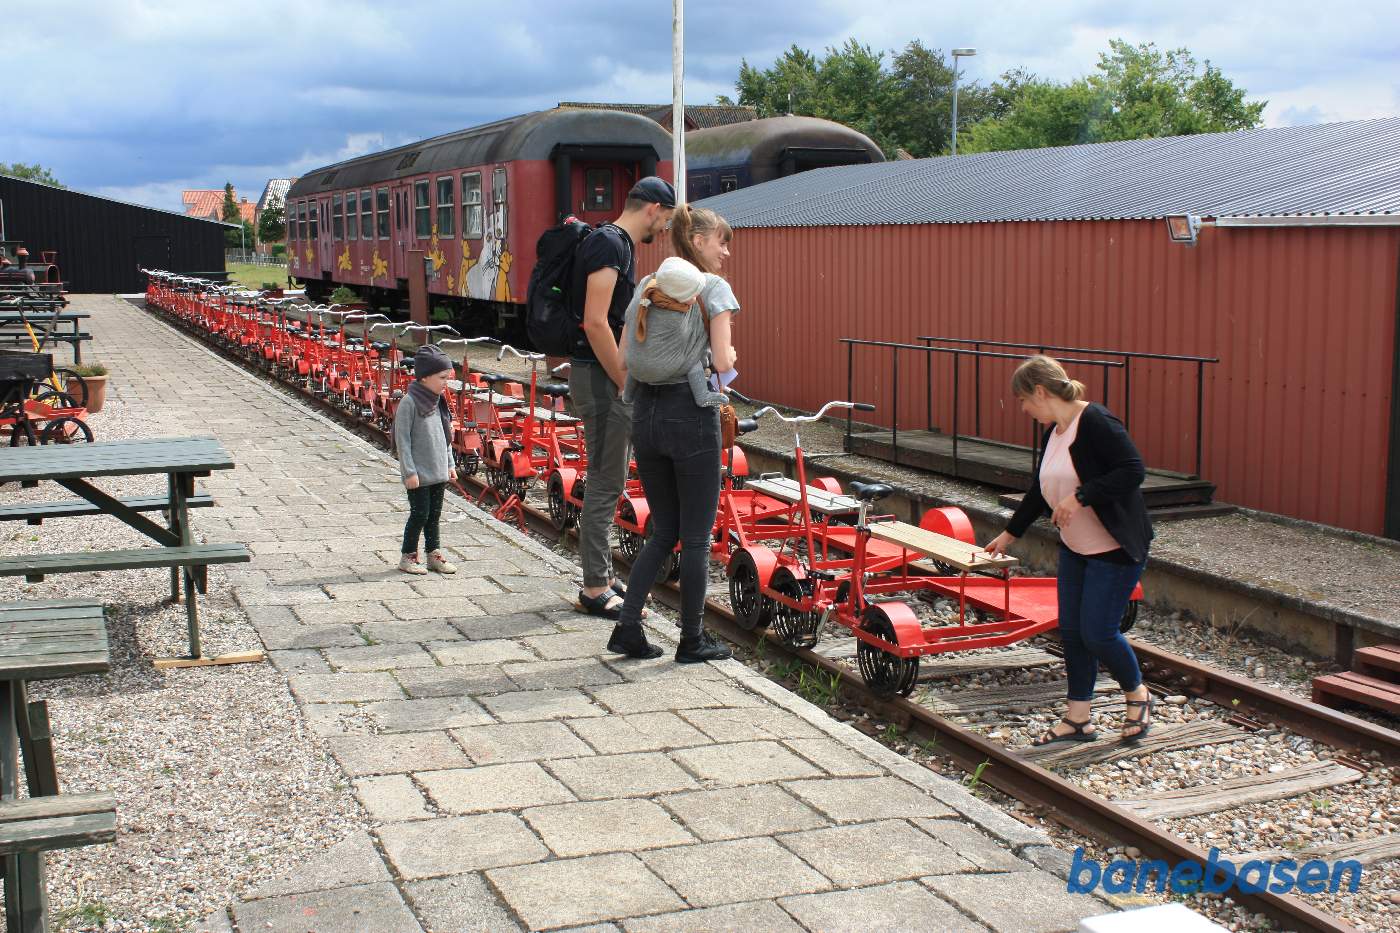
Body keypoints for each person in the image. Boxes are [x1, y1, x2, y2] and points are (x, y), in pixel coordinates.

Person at [984, 355, 1154, 744]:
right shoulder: (1055, 432)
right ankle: (1078, 718)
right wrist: (1010, 533)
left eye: (1024, 400)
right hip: (1077, 547)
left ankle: (1137, 694)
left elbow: (1132, 470)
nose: (1024, 409)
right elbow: (1039, 489)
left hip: (1114, 548)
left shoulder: (1096, 421)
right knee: (1074, 633)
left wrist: (1081, 497)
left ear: (1040, 392)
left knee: (1099, 634)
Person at [609, 204, 738, 663]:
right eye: (721, 242)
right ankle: (692, 640)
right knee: (697, 538)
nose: (725, 252)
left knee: (663, 530)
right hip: (691, 415)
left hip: (645, 413)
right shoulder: (714, 288)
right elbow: (721, 361)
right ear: (698, 241)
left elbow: (623, 358)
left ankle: (627, 627)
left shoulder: (648, 284)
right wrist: (729, 354)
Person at [570, 176, 675, 620]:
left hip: (601, 375)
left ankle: (603, 573)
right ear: (653, 208)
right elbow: (595, 322)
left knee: (609, 479)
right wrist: (623, 379)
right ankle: (594, 586)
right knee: (605, 480)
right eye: (666, 220)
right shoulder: (610, 245)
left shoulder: (615, 244)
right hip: (600, 378)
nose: (664, 230)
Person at [622, 255, 729, 408]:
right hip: (663, 370)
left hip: (635, 368)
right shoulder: (675, 316)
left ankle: (627, 395)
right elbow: (695, 343)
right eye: (691, 295)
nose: (695, 299)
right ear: (676, 296)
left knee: (640, 351)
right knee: (694, 355)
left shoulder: (646, 295)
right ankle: (702, 396)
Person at [394, 344, 458, 576]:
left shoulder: (438, 401)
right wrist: (409, 472)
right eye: (442, 377)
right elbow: (402, 441)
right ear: (424, 376)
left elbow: (445, 437)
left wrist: (450, 464)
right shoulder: (409, 403)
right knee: (420, 514)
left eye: (447, 378)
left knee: (434, 516)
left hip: (438, 472)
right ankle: (408, 556)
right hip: (419, 474)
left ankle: (433, 555)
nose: (445, 383)